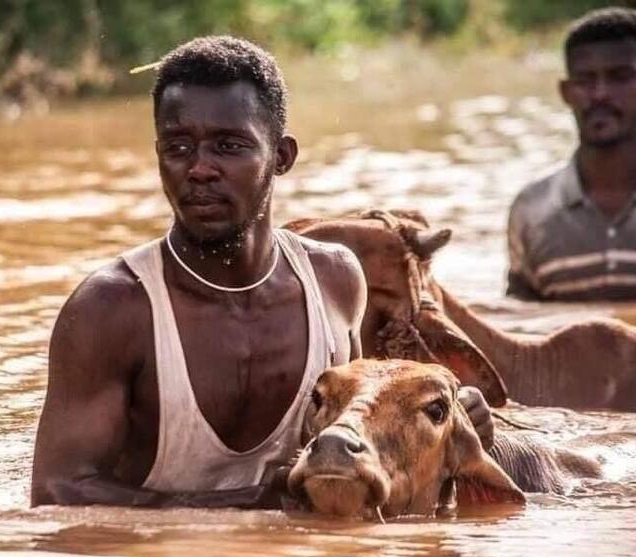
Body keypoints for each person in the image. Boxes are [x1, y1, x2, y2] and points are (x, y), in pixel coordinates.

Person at [31, 36, 494, 509]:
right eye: (178, 147)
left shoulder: (335, 281)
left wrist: (454, 418)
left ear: (282, 157)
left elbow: (370, 434)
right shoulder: (111, 309)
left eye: (228, 146)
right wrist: (247, 504)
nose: (199, 169)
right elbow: (57, 492)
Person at [507, 7, 636, 301]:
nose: (600, 93)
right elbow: (520, 327)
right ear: (566, 92)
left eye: (619, 77)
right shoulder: (532, 212)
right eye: (585, 80)